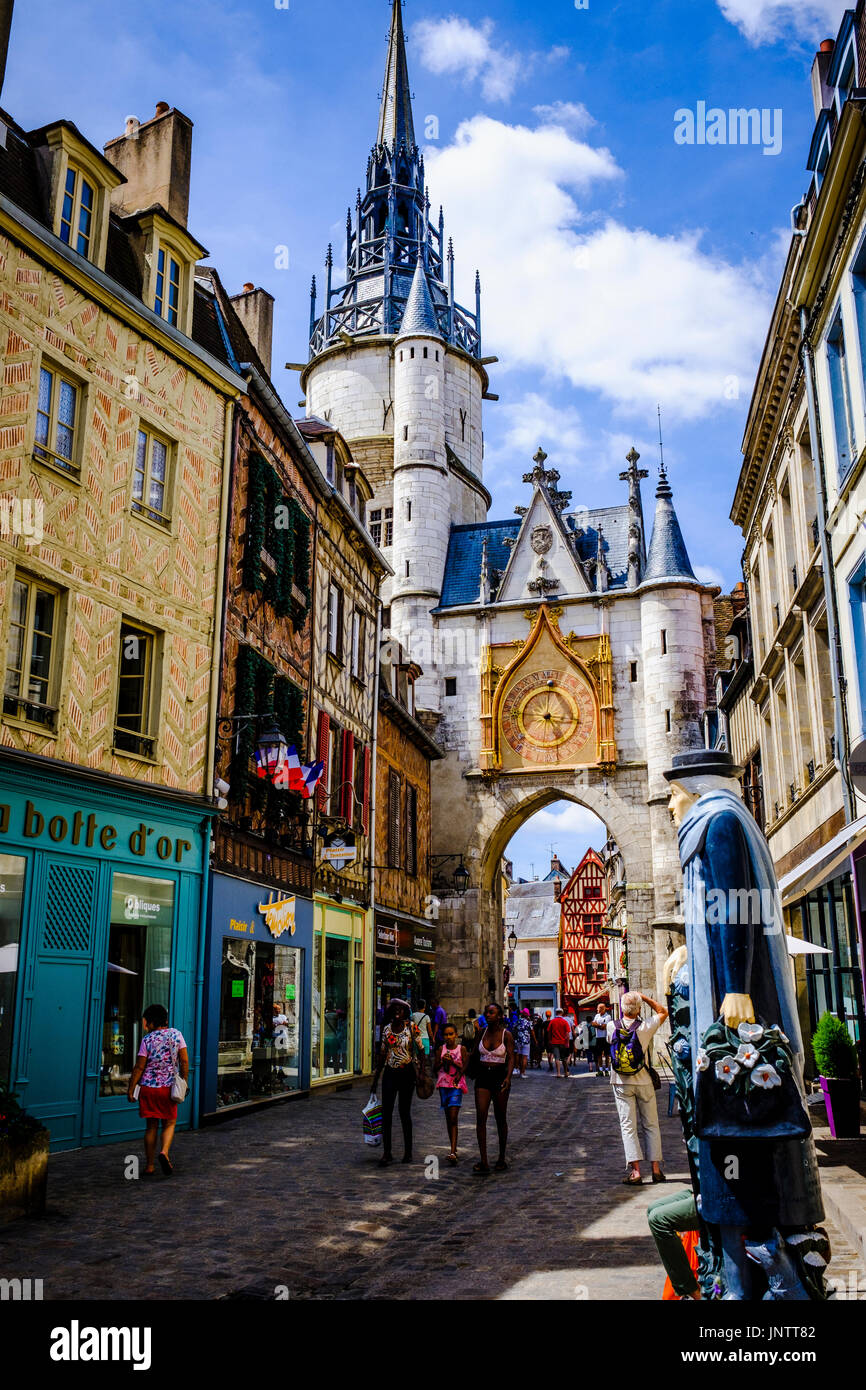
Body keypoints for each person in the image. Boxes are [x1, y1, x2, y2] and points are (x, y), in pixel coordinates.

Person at [607, 990, 667, 1185]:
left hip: (621, 1082)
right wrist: (645, 998)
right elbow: (663, 1011)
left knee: (628, 1127)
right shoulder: (645, 1027)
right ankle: (656, 1170)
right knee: (651, 1124)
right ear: (638, 1009)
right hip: (644, 1082)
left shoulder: (611, 1027)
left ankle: (636, 1172)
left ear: (622, 1008)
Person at [127, 1003, 189, 1177]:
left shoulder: (147, 1039)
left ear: (152, 1022)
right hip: (167, 1088)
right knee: (169, 1122)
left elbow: (139, 1067)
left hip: (148, 1088)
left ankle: (149, 1166)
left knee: (151, 1126)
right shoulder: (177, 1035)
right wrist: (184, 1081)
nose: (145, 1025)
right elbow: (184, 1061)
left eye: (146, 1021)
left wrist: (131, 1088)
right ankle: (165, 1152)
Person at [371, 998, 426, 1166]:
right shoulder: (387, 1030)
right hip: (390, 1073)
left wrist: (421, 1072)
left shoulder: (411, 1028)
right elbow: (382, 1054)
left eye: (400, 1009)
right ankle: (387, 1152)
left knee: (404, 1112)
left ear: (405, 1012)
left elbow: (422, 1051)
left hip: (407, 1073)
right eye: (394, 1009)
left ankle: (408, 1152)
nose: (397, 1011)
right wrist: (375, 1079)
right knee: (386, 1113)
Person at [473, 1002, 515, 1175]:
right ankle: (484, 1160)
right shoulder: (481, 1033)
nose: (487, 1015)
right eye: (486, 1012)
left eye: (491, 1013)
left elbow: (511, 1057)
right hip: (483, 1076)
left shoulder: (506, 1035)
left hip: (499, 1076)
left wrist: (508, 1077)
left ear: (499, 1016)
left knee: (500, 1117)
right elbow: (472, 1053)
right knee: (481, 1116)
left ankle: (501, 1157)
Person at [647, 1189, 703, 1300]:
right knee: (652, 1208)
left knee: (658, 1219)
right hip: (699, 1189)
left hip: (714, 1196)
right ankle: (684, 1283)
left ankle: (693, 1290)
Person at [435, 1021, 468, 1164]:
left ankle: (453, 1151)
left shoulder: (462, 1049)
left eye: (451, 1034)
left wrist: (453, 1062)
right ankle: (452, 1147)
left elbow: (464, 1067)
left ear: (456, 1035)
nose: (448, 1037)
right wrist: (443, 1061)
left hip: (456, 1085)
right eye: (446, 1035)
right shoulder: (440, 1050)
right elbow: (435, 1068)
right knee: (449, 1118)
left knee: (454, 1117)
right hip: (443, 1086)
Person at [547, 1008, 572, 1079]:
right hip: (563, 1042)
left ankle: (558, 1073)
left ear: (556, 1013)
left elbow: (549, 1032)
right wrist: (567, 1042)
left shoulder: (552, 1021)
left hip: (554, 1042)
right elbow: (567, 1034)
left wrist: (550, 1040)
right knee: (564, 1058)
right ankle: (565, 1072)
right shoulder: (564, 1022)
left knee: (557, 1058)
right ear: (562, 1013)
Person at [592, 1003, 611, 1077]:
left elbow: (604, 1027)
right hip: (598, 1037)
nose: (597, 1009)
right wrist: (599, 1025)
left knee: (606, 1055)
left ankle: (606, 1070)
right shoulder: (597, 1015)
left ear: (603, 1009)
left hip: (605, 1037)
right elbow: (593, 1024)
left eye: (598, 1008)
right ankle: (600, 1070)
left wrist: (598, 1025)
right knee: (599, 1054)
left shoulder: (608, 1016)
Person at [513, 1008, 532, 1077]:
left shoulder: (518, 1021)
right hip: (526, 1041)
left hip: (518, 1040)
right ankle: (522, 1073)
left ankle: (517, 1069)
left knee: (519, 1056)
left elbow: (514, 1028)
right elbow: (532, 1031)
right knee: (524, 1058)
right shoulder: (528, 1022)